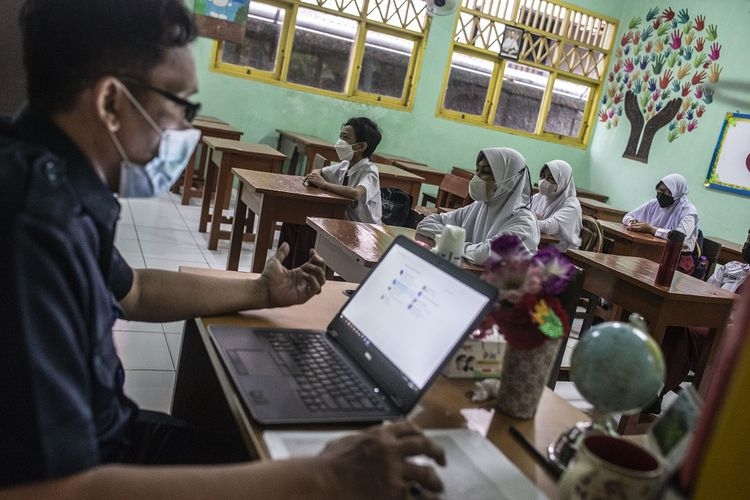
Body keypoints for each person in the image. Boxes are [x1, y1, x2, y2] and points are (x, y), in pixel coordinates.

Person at [0, 1, 446, 498]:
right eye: (181, 106)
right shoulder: (32, 223)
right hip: (90, 470)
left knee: (263, 444)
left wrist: (260, 290)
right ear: (110, 102)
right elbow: (46, 489)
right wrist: (322, 477)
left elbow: (138, 292)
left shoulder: (54, 186)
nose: (187, 131)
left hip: (113, 437)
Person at [651, 229, 750, 414]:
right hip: (713, 321)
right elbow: (704, 291)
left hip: (736, 338)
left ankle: (658, 390)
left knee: (691, 332)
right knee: (675, 320)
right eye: (748, 237)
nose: (748, 243)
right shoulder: (732, 268)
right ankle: (653, 385)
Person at [278, 117, 383, 269]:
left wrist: (325, 184)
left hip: (364, 232)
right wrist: (316, 176)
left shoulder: (369, 171)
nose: (340, 142)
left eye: (345, 138)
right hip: (343, 223)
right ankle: (284, 270)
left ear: (360, 146)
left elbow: (356, 193)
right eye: (340, 136)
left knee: (310, 229)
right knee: (293, 221)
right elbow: (319, 171)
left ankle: (300, 275)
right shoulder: (345, 165)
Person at [416, 147, 540, 264]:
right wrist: (460, 245)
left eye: (485, 172)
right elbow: (426, 223)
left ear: (509, 180)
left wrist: (455, 243)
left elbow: (485, 255)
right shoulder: (479, 206)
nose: (477, 177)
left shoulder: (523, 221)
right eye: (477, 171)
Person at [622, 173, 699, 275]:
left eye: (666, 191)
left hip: (677, 260)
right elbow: (627, 216)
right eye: (659, 190)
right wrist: (632, 222)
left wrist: (651, 229)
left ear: (677, 192)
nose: (661, 194)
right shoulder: (654, 204)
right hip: (651, 250)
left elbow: (679, 236)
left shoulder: (688, 211)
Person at [530, 160, 582, 252]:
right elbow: (521, 210)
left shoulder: (572, 206)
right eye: (542, 176)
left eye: (551, 178)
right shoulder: (540, 197)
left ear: (563, 181)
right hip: (539, 246)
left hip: (560, 256)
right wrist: (531, 215)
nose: (543, 181)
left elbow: (547, 228)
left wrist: (530, 216)